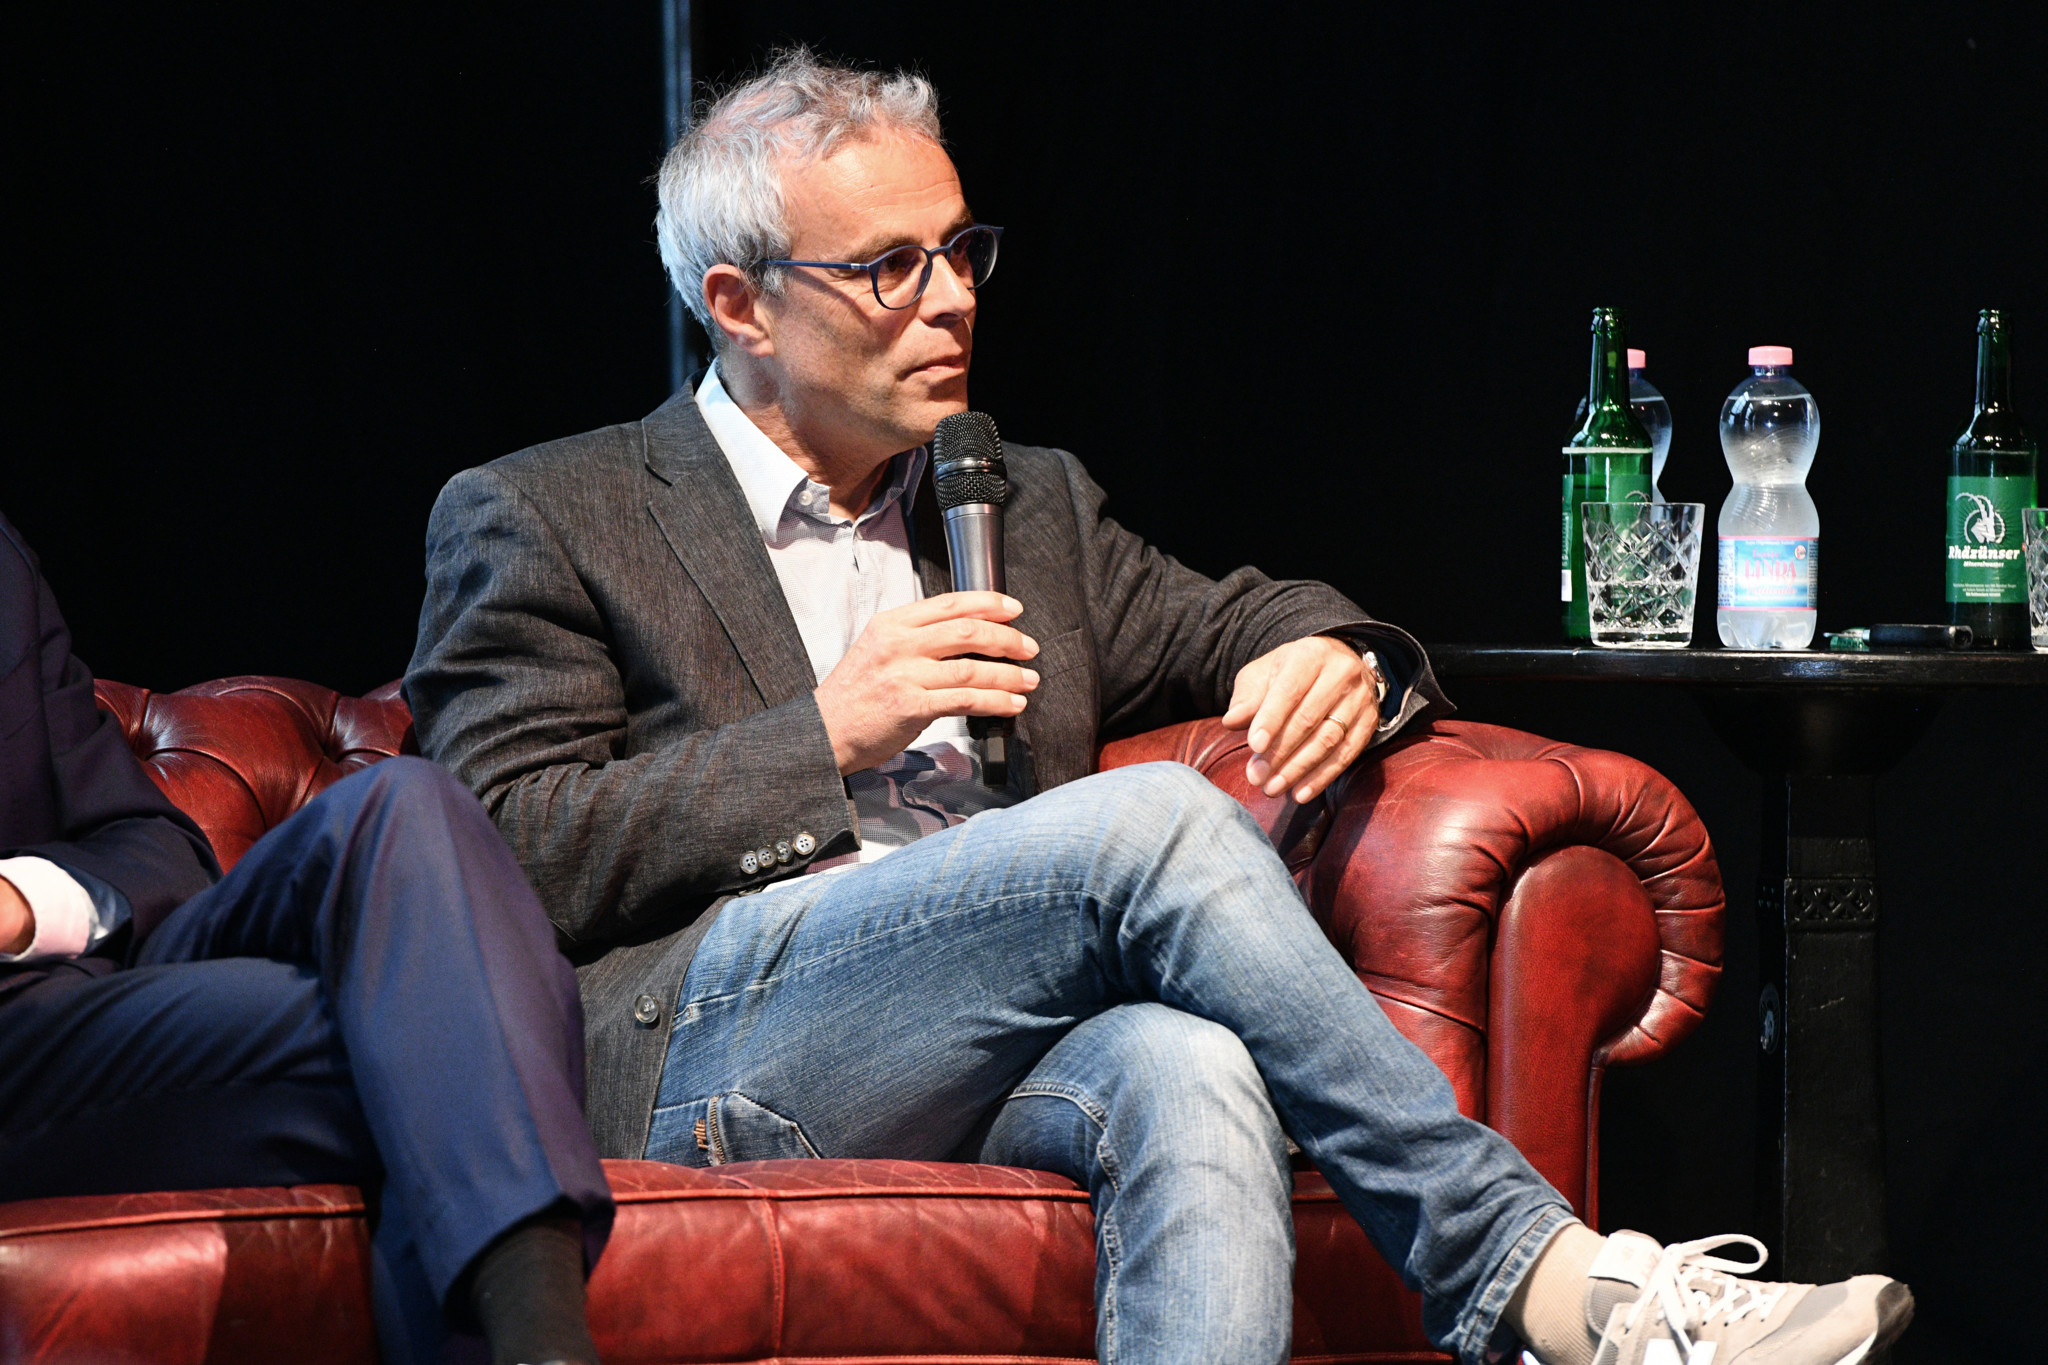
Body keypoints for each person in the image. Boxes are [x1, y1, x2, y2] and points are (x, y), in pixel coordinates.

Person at [404, 49, 1912, 1365]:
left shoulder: (1021, 499)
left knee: (1187, 1070)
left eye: (962, 250)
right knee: (1145, 820)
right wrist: (826, 734)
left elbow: (1249, 614)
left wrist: (1342, 657)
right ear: (738, 301)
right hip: (703, 1052)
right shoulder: (553, 510)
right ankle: (1542, 1276)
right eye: (890, 268)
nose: (953, 301)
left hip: (968, 1042)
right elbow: (489, 852)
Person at [0, 510, 612, 1365]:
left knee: (405, 801)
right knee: (454, 1017)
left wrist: (20, 901)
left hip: (109, 989)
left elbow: (155, 852)